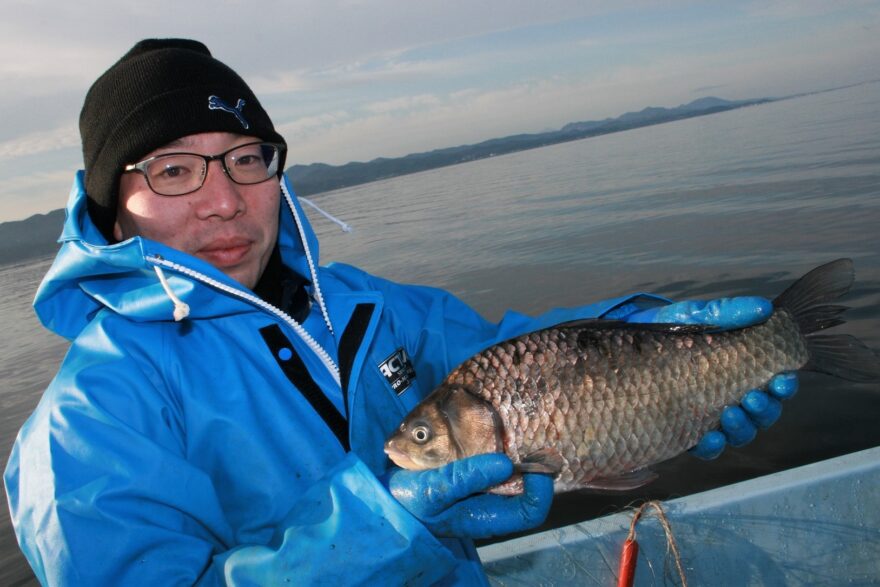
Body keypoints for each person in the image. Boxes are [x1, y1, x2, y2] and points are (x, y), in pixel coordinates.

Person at [3, 39, 798, 586]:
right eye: (175, 169)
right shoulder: (83, 429)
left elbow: (518, 362)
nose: (223, 201)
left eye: (248, 159)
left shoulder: (363, 304)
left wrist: (665, 339)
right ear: (114, 207)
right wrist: (380, 526)